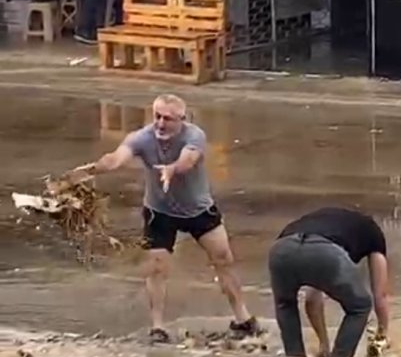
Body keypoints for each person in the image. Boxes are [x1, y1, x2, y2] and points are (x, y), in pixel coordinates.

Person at [63, 94, 260, 343]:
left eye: (168, 118)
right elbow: (116, 158)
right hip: (160, 212)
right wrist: (91, 170)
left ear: (182, 120)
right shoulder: (142, 138)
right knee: (157, 267)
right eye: (157, 116)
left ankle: (242, 318)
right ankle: (158, 326)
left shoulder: (194, 135)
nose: (160, 123)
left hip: (198, 210)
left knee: (223, 259)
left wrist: (172, 169)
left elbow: (188, 160)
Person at [268, 207, 392, 357]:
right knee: (360, 306)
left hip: (281, 249)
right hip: (325, 252)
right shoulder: (373, 232)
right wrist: (382, 335)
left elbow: (311, 301)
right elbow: (380, 295)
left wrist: (324, 344)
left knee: (285, 304)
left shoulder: (321, 219)